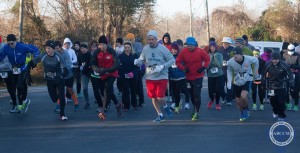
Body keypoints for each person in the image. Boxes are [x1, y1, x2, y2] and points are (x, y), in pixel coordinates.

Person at [134, 30, 175, 123]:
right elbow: (142, 59)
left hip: (161, 76)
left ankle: (166, 107)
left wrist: (162, 66)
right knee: (153, 97)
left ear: (156, 39)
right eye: (149, 39)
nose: (150, 41)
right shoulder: (145, 49)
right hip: (150, 76)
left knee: (160, 96)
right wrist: (137, 61)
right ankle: (160, 115)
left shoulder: (163, 49)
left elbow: (172, 60)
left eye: (152, 39)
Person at [0, 34, 40, 113]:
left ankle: (24, 100)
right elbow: (1, 56)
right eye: (8, 44)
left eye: (12, 43)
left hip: (23, 67)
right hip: (14, 68)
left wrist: (35, 61)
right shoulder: (6, 48)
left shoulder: (22, 46)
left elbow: (35, 49)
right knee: (14, 86)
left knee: (19, 85)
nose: (10, 45)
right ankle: (21, 104)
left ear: (15, 41)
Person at [29, 40, 68, 120]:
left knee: (61, 97)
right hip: (49, 80)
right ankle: (61, 98)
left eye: (49, 48)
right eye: (46, 48)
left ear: (53, 49)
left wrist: (61, 76)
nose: (48, 50)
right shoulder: (43, 56)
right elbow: (32, 62)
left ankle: (62, 114)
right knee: (54, 99)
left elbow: (65, 69)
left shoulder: (58, 56)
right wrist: (28, 69)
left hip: (59, 79)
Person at [176, 36, 210, 121]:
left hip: (198, 76)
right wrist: (183, 68)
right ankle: (195, 109)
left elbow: (207, 59)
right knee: (192, 94)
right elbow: (178, 61)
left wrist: (203, 67)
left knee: (197, 94)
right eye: (188, 45)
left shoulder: (200, 51)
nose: (190, 46)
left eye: (191, 45)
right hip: (188, 76)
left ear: (195, 44)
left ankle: (197, 112)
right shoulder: (184, 52)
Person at [91, 35, 121, 120]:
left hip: (112, 73)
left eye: (103, 44)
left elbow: (117, 64)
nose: (102, 46)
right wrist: (98, 69)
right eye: (100, 44)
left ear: (107, 44)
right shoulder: (97, 52)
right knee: (104, 90)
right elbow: (92, 64)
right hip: (103, 73)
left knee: (107, 88)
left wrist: (107, 70)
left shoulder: (112, 51)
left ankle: (104, 110)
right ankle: (117, 104)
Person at [227, 47, 259, 122]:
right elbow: (229, 70)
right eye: (234, 54)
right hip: (237, 81)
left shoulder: (249, 59)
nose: (235, 56)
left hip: (247, 79)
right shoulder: (231, 62)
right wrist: (229, 82)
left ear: (241, 54)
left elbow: (256, 61)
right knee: (238, 101)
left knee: (243, 96)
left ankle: (245, 111)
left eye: (237, 54)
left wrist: (255, 73)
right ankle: (243, 111)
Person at [261, 51, 294, 121]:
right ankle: (275, 110)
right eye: (273, 59)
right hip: (271, 86)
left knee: (281, 102)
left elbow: (290, 75)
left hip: (281, 86)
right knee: (273, 101)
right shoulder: (267, 65)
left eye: (276, 59)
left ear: (279, 59)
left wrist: (291, 83)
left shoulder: (284, 65)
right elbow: (263, 74)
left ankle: (281, 116)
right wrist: (263, 83)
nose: (274, 61)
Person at [55, 41, 79, 112]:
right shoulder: (56, 54)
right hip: (60, 75)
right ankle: (59, 105)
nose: (56, 50)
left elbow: (68, 65)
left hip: (68, 75)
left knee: (70, 90)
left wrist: (64, 72)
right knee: (59, 91)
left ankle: (76, 104)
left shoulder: (66, 54)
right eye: (55, 49)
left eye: (57, 48)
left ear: (60, 47)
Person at [118, 42, 139, 111]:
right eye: (125, 48)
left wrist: (133, 73)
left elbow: (137, 67)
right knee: (126, 91)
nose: (127, 49)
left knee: (133, 90)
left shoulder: (135, 55)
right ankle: (126, 106)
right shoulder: (121, 56)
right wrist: (123, 74)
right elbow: (119, 67)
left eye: (128, 47)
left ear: (131, 48)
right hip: (124, 76)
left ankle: (134, 104)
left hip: (133, 76)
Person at [168, 43, 187, 114]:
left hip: (180, 77)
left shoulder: (180, 56)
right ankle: (178, 103)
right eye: (172, 50)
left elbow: (184, 65)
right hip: (172, 77)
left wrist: (184, 70)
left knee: (177, 92)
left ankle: (176, 107)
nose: (173, 51)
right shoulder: (169, 57)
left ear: (177, 50)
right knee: (173, 92)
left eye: (175, 50)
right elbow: (167, 66)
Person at [206, 41, 224, 110]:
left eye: (213, 47)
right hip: (211, 75)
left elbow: (220, 66)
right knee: (210, 91)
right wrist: (210, 59)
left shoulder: (219, 55)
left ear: (215, 47)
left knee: (218, 90)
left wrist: (215, 57)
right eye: (211, 47)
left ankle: (217, 103)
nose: (212, 48)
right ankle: (211, 99)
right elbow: (207, 67)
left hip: (219, 75)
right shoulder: (207, 55)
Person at [282, 44, 300, 111]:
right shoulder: (284, 54)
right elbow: (281, 63)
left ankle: (295, 105)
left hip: (296, 75)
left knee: (296, 90)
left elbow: (299, 65)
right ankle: (288, 103)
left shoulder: (297, 55)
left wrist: (293, 67)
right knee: (286, 90)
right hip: (286, 75)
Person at [89, 41, 105, 112]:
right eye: (92, 47)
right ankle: (100, 105)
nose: (93, 48)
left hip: (101, 75)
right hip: (93, 75)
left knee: (102, 91)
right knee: (96, 91)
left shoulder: (101, 53)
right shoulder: (90, 54)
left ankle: (106, 103)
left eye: (95, 46)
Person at [219, 36, 234, 105]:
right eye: (224, 43)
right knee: (220, 86)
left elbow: (235, 59)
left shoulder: (232, 50)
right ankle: (224, 96)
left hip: (229, 71)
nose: (225, 45)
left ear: (229, 44)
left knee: (229, 86)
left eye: (226, 43)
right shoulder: (220, 49)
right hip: (221, 71)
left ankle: (229, 100)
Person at [63, 38, 78, 102]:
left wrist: (69, 62)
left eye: (68, 44)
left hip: (71, 69)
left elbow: (75, 59)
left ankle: (68, 96)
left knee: (69, 85)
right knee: (63, 83)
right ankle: (63, 97)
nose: (67, 45)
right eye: (66, 44)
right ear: (64, 44)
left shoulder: (72, 51)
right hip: (63, 69)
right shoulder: (61, 50)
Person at [77, 43, 91, 109]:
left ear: (86, 48)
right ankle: (87, 102)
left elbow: (91, 63)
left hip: (91, 73)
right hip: (84, 73)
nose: (82, 49)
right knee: (84, 88)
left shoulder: (89, 54)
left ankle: (102, 101)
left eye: (84, 48)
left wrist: (87, 67)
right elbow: (78, 63)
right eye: (81, 48)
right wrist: (79, 67)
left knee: (97, 88)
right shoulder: (79, 55)